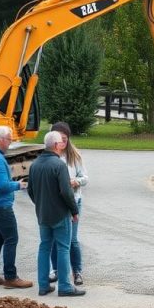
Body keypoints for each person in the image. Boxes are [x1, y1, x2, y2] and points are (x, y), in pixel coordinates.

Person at [27, 131, 84, 297]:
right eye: (61, 143)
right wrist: (74, 211)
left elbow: (30, 190)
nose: (63, 145)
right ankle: (65, 287)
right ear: (56, 145)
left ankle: (43, 285)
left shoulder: (35, 165)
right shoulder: (59, 165)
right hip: (60, 215)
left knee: (44, 247)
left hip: (43, 215)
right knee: (63, 248)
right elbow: (66, 192)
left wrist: (40, 204)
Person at [0, 126, 33, 290]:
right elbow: (2, 186)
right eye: (9, 139)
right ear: (1, 139)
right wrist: (19, 185)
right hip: (0, 205)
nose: (11, 142)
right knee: (11, 238)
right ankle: (10, 277)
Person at [48, 121, 88, 287]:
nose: (62, 143)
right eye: (59, 139)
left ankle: (77, 271)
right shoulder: (50, 156)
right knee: (55, 239)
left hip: (73, 201)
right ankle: (56, 269)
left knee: (72, 239)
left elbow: (85, 178)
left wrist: (75, 182)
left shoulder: (74, 157)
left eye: (65, 139)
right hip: (56, 203)